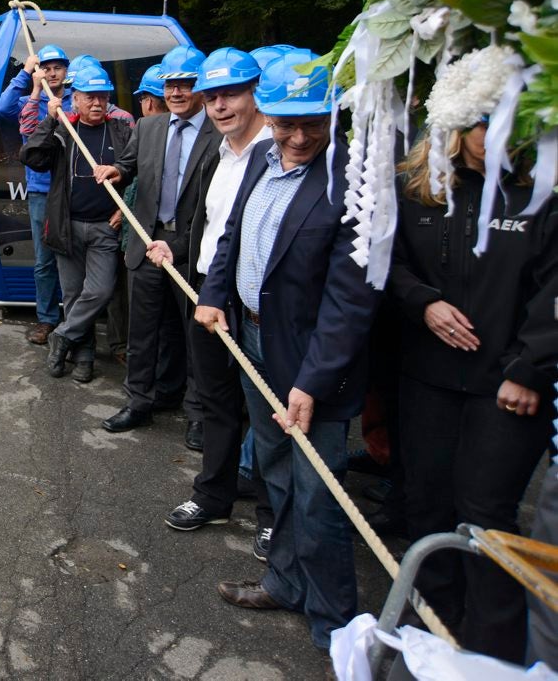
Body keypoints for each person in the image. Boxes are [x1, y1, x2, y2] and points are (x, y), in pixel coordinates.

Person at [197, 52, 379, 653]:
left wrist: (312, 382)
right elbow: (233, 234)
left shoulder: (352, 181)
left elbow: (352, 298)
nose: (299, 138)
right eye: (286, 124)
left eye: (313, 125)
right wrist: (215, 293)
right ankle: (285, 582)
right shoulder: (260, 159)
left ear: (333, 115)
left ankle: (335, 628)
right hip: (252, 337)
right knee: (275, 471)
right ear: (269, 117)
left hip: (312, 362)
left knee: (319, 491)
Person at [386, 122, 558, 661]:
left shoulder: (543, 189)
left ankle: (492, 647)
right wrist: (423, 302)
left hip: (506, 386)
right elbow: (381, 257)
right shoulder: (419, 183)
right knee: (427, 500)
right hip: (427, 373)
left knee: (485, 511)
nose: (502, 131)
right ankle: (431, 622)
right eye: (487, 121)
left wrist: (530, 368)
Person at [144, 49, 275, 552]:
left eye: (232, 94)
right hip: (207, 291)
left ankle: (270, 514)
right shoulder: (224, 152)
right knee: (217, 403)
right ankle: (214, 495)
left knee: (265, 412)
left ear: (256, 94)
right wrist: (175, 247)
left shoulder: (276, 150)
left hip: (251, 301)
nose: (220, 106)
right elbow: (214, 227)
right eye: (213, 95)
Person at [92, 45, 217, 437]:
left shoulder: (219, 132)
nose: (176, 92)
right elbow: (130, 165)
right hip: (147, 241)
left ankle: (197, 412)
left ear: (201, 87)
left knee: (195, 333)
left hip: (192, 246)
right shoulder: (148, 128)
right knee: (142, 330)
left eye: (185, 84)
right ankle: (138, 402)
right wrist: (117, 170)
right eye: (170, 85)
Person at [20, 61, 133, 383]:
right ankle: (83, 358)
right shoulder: (64, 130)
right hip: (67, 226)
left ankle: (62, 336)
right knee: (72, 295)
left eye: (102, 96)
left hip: (104, 228)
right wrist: (50, 119)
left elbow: (138, 172)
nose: (97, 103)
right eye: (89, 97)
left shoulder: (121, 131)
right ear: (75, 99)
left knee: (99, 291)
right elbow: (31, 158)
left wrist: (124, 207)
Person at [0, 45, 70, 343]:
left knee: (74, 258)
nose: (52, 73)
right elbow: (2, 108)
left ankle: (74, 319)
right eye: (47, 68)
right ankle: (47, 319)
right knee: (44, 260)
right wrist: (27, 73)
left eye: (57, 68)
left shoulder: (75, 103)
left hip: (71, 190)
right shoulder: (30, 102)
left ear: (66, 71)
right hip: (41, 192)